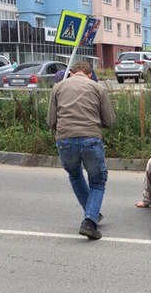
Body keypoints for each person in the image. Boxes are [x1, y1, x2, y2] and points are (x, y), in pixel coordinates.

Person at [47, 61, 115, 240]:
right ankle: (89, 222)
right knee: (98, 181)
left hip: (64, 141)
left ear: (71, 73)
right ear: (90, 74)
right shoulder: (97, 88)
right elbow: (109, 121)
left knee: (75, 175)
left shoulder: (58, 88)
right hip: (90, 140)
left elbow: (50, 121)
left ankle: (91, 214)